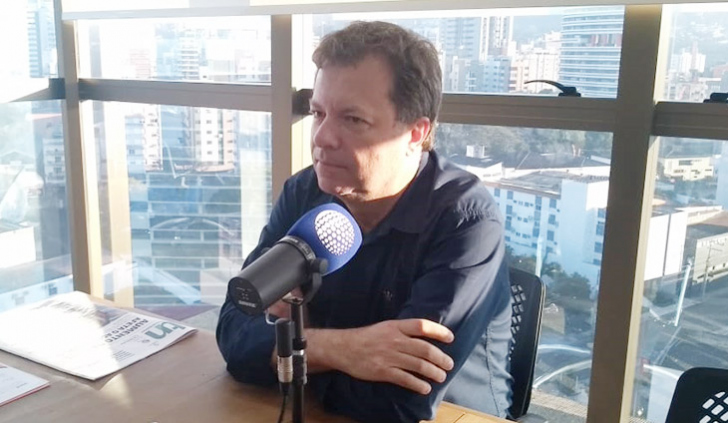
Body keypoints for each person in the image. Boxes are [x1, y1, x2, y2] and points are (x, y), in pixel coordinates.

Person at [216, 21, 512, 423]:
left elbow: (398, 401)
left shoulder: (466, 222)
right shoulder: (304, 193)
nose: (322, 138)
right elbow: (234, 330)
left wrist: (288, 354)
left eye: (352, 119)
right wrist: (342, 349)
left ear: (415, 133)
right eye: (318, 113)